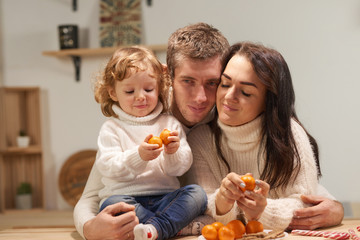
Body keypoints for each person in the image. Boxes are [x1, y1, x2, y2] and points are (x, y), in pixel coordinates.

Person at [73, 23, 343, 240]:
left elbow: (287, 173)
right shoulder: (141, 117)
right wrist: (89, 228)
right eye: (188, 81)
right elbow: (92, 193)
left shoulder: (227, 114)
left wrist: (334, 207)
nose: (201, 97)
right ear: (167, 76)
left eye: (213, 83)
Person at [182, 41, 328, 230]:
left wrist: (262, 211)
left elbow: (306, 204)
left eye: (245, 92)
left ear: (268, 102)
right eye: (225, 84)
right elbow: (203, 205)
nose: (229, 96)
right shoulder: (200, 139)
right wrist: (221, 202)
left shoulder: (291, 135)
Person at [92, 45, 207, 240]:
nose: (140, 96)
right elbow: (108, 167)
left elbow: (178, 169)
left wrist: (173, 152)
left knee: (197, 195)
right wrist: (139, 156)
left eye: (148, 89)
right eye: (129, 91)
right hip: (126, 199)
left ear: (159, 88)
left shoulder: (169, 123)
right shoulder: (112, 128)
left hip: (165, 198)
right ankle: (166, 228)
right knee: (110, 206)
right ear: (112, 93)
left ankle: (152, 230)